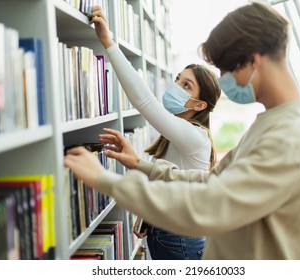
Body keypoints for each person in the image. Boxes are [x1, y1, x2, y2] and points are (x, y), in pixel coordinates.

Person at [65, 2, 300, 259]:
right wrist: (139, 164)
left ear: (252, 61)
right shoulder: (271, 122)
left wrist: (108, 181)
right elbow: (212, 182)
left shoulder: (290, 134)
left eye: (225, 69)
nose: (224, 79)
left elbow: (213, 204)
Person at [89, 6, 221, 260]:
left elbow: (145, 102)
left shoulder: (195, 136)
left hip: (179, 238)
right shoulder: (179, 134)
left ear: (200, 105)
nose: (176, 86)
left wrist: (108, 43)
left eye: (186, 85)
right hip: (171, 234)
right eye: (178, 79)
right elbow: (169, 177)